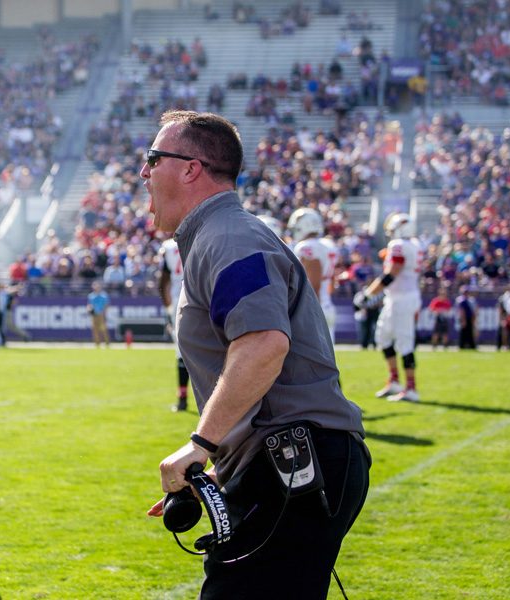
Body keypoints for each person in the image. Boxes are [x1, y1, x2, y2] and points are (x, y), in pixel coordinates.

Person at [141, 111, 369, 599]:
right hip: (286, 458)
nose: (144, 172)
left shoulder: (228, 236)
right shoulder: (217, 235)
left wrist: (201, 443)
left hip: (291, 459)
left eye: (152, 158)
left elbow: (264, 342)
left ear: (190, 168)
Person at [359, 213, 423, 402]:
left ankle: (411, 388)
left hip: (402, 299)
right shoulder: (413, 245)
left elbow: (391, 274)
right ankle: (394, 380)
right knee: (383, 338)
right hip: (397, 298)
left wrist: (368, 294)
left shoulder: (399, 245)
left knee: (404, 343)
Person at [288, 208, 337, 342]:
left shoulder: (306, 247)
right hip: (327, 304)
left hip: (315, 307)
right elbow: (331, 282)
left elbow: (313, 283)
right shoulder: (329, 244)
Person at [158, 237, 189, 410]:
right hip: (204, 298)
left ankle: (183, 399)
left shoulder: (168, 247)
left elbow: (162, 283)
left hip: (179, 301)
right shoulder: (202, 237)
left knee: (181, 353)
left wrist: (169, 309)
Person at [86, 280, 110, 348]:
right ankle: (97, 344)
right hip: (94, 315)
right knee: (95, 329)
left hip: (101, 314)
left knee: (103, 329)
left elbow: (106, 305)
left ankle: (107, 343)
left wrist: (104, 313)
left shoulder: (104, 295)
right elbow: (89, 305)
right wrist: (88, 309)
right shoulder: (91, 296)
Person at [428, 285, 453, 349]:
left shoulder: (447, 302)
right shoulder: (436, 301)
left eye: (444, 294)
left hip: (444, 319)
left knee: (445, 333)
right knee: (436, 333)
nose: (443, 295)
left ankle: (445, 345)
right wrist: (437, 311)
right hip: (438, 318)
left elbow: (450, 311)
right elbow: (431, 309)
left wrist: (444, 312)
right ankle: (434, 345)